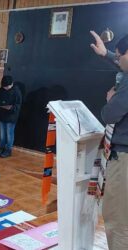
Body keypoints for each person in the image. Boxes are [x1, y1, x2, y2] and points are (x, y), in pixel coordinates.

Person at [90, 30, 128, 249]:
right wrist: (107, 54)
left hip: (124, 158)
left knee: (118, 219)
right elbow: (123, 64)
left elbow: (110, 114)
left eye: (119, 55)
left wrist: (111, 99)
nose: (118, 60)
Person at [0, 75, 22, 158]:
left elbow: (18, 105)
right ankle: (1, 148)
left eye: (8, 86)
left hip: (11, 116)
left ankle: (8, 150)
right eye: (4, 86)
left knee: (9, 134)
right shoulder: (1, 90)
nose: (6, 88)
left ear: (12, 83)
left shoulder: (16, 91)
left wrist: (11, 107)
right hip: (2, 115)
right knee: (2, 134)